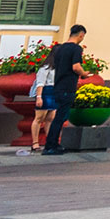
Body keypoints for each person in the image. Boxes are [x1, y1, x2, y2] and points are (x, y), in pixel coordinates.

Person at [41, 24, 88, 155]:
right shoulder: (76, 49)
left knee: (58, 117)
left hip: (58, 85)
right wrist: (84, 74)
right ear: (81, 35)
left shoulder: (60, 49)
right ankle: (51, 146)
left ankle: (52, 144)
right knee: (60, 118)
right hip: (68, 86)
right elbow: (76, 67)